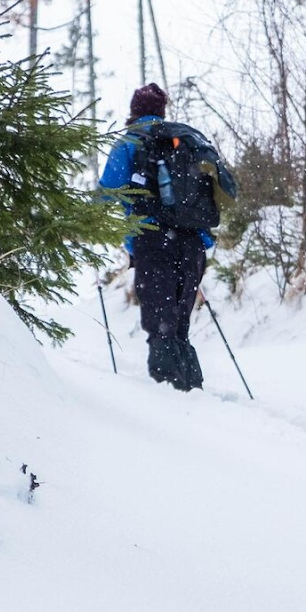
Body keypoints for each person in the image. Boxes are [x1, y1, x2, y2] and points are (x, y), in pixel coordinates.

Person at [99, 83, 224, 392]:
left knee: (160, 324)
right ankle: (192, 392)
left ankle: (169, 403)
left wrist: (84, 221)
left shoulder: (130, 142)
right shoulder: (184, 140)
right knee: (178, 324)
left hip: (153, 240)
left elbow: (107, 192)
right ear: (162, 110)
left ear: (134, 111)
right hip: (193, 243)